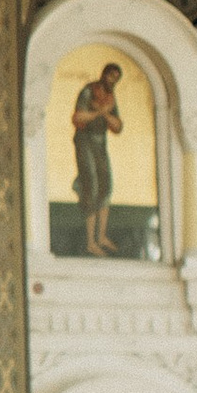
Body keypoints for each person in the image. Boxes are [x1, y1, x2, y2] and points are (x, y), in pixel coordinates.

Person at [72, 62, 126, 255]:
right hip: (85, 141)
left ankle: (101, 236)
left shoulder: (110, 97)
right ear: (104, 75)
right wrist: (99, 113)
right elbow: (78, 118)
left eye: (116, 78)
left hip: (100, 143)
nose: (113, 81)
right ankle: (90, 242)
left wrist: (105, 114)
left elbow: (118, 126)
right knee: (91, 186)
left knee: (106, 185)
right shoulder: (89, 91)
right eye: (111, 76)